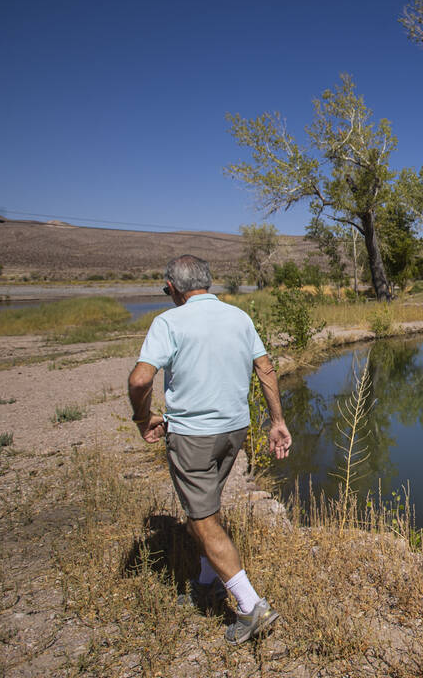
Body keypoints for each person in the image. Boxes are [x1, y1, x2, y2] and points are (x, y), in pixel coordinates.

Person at [127, 254, 292, 644]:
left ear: (173, 288)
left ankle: (252, 607)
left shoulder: (168, 321)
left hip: (193, 437)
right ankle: (206, 582)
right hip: (235, 430)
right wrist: (277, 421)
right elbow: (265, 368)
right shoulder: (239, 318)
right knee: (206, 509)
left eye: (165, 288)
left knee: (201, 519)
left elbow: (139, 380)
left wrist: (142, 417)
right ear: (209, 282)